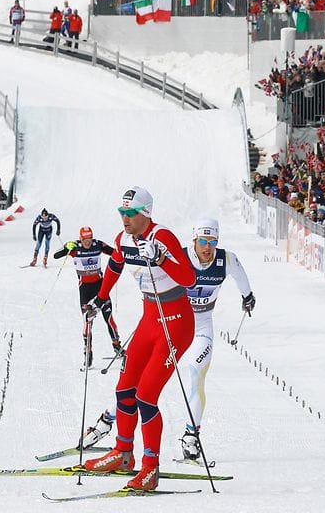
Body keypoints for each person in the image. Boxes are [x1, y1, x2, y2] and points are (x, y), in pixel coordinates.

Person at [83, 187, 197, 492]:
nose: (125, 219)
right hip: (150, 318)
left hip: (176, 323)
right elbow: (116, 263)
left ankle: (150, 467)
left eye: (131, 214)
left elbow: (189, 278)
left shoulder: (164, 237)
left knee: (146, 395)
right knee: (125, 389)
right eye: (122, 213)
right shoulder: (123, 239)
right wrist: (101, 297)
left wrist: (160, 259)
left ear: (145, 213)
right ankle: (123, 453)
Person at [179, 218, 255, 461]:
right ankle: (113, 419)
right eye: (203, 241)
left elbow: (240, 274)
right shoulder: (180, 257)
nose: (208, 247)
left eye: (213, 241)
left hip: (202, 326)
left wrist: (248, 296)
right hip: (176, 325)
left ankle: (192, 435)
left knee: (196, 375)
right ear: (194, 240)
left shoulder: (225, 259)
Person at [53, 226, 121, 366]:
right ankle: (88, 353)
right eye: (85, 240)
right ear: (81, 239)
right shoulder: (75, 248)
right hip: (85, 290)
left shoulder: (97, 244)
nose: (88, 243)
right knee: (87, 323)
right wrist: (66, 247)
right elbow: (56, 255)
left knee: (108, 318)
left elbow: (115, 254)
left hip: (101, 287)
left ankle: (117, 346)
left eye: (89, 239)